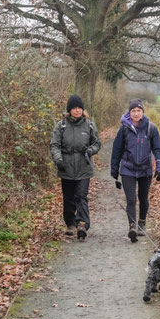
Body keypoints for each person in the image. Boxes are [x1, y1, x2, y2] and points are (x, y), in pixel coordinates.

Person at [110, 99, 160, 242]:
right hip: (127, 169)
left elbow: (158, 150)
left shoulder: (150, 128)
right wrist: (114, 170)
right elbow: (116, 150)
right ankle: (132, 227)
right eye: (133, 111)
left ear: (142, 112)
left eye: (138, 111)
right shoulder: (124, 129)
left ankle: (141, 222)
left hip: (145, 170)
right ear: (129, 113)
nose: (136, 113)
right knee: (131, 199)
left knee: (143, 198)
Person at [49, 94, 101, 240]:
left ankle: (82, 224)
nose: (77, 110)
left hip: (84, 166)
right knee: (68, 198)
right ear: (69, 110)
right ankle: (70, 223)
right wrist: (58, 160)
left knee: (81, 195)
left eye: (79, 108)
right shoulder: (61, 125)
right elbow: (54, 145)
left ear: (82, 110)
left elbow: (97, 143)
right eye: (74, 108)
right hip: (66, 167)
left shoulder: (89, 125)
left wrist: (90, 151)